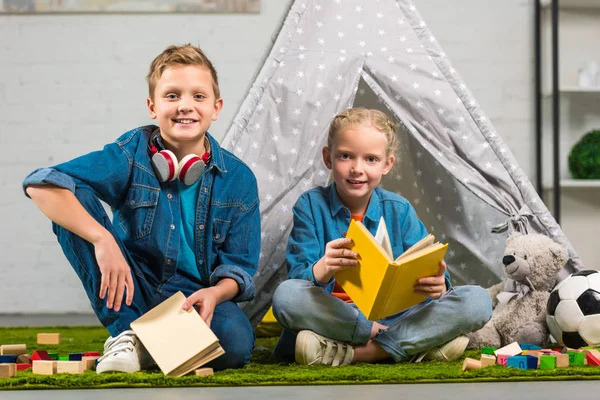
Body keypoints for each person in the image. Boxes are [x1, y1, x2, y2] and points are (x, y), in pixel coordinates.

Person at [22, 44, 260, 373]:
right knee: (69, 197)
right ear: (152, 106)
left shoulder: (240, 179)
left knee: (235, 344)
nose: (185, 106)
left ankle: (143, 346)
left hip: (192, 299)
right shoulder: (130, 153)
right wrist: (102, 239)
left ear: (216, 107)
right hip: (133, 283)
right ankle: (127, 333)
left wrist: (216, 294)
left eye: (198, 97)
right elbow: (40, 183)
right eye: (172, 95)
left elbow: (240, 269)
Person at [271, 108, 492, 366]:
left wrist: (439, 286)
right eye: (345, 156)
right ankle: (410, 345)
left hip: (395, 318)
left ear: (387, 164)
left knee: (478, 300)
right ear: (328, 158)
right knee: (286, 296)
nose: (357, 169)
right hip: (332, 318)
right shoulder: (310, 205)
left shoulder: (399, 209)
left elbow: (433, 278)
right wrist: (322, 269)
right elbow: (297, 282)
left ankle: (364, 352)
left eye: (371, 159)